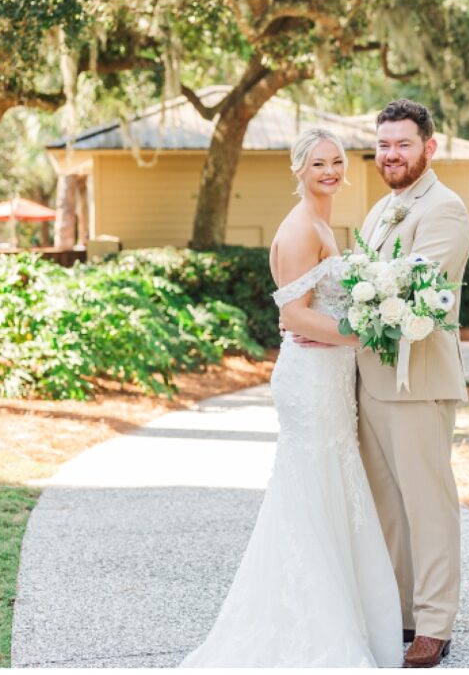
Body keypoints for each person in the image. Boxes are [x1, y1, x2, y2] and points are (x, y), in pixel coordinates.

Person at [178, 128, 402, 667]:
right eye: (318, 163)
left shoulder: (323, 220)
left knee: (327, 488)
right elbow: (293, 315)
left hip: (326, 373)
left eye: (336, 162)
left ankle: (344, 613)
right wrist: (366, 333)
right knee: (313, 492)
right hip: (312, 379)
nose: (329, 171)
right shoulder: (302, 227)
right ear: (298, 170)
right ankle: (312, 630)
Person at [354, 99, 469, 668]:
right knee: (387, 505)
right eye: (383, 145)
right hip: (371, 380)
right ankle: (400, 612)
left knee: (428, 503)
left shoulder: (445, 208)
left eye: (402, 144)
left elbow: (413, 288)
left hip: (418, 377)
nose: (391, 154)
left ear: (430, 146)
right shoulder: (380, 209)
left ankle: (435, 624)